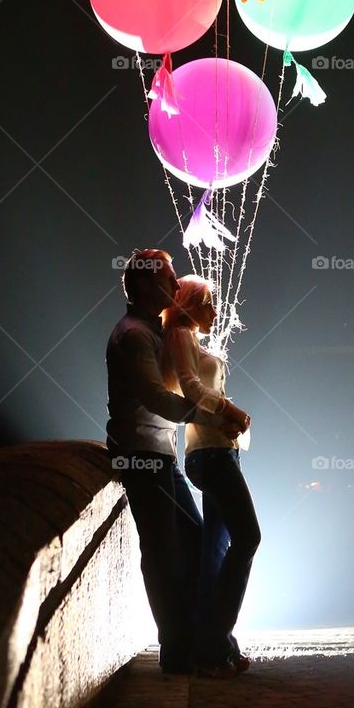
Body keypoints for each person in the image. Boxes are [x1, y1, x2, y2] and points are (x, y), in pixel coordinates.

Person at [105, 249, 245, 674]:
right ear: (147, 285)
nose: (176, 284)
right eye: (168, 278)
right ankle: (182, 649)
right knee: (168, 550)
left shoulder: (151, 332)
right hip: (143, 454)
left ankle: (192, 643)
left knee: (186, 542)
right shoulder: (134, 335)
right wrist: (215, 414)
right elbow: (156, 398)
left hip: (157, 453)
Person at [162, 275, 260, 679]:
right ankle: (214, 640)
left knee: (215, 551)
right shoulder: (181, 333)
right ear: (187, 303)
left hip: (219, 451)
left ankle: (215, 643)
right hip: (211, 454)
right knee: (247, 537)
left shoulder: (191, 338)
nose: (215, 313)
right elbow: (189, 387)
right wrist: (230, 412)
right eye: (208, 304)